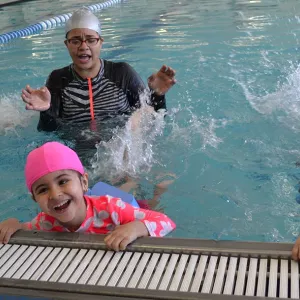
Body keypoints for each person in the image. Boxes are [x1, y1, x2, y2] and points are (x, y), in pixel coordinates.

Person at [21, 7, 176, 134]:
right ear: (66, 44)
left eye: (91, 39)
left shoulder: (122, 73)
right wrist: (46, 111)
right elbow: (49, 131)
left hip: (119, 153)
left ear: (100, 42)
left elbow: (153, 122)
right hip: (77, 152)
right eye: (75, 41)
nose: (83, 46)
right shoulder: (58, 79)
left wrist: (157, 95)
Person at [0, 142, 176, 251]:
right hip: (90, 200)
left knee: (149, 205)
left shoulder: (112, 208)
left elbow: (166, 222)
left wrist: (137, 228)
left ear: (84, 182)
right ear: (34, 199)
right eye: (43, 190)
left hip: (124, 209)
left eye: (62, 182)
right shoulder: (44, 222)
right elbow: (24, 228)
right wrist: (14, 224)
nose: (55, 194)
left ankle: (156, 189)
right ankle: (129, 181)